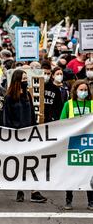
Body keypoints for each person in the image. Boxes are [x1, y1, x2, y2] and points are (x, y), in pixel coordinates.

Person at [3, 69, 47, 203]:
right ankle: (20, 191)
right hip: (16, 135)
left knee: (31, 163)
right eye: (23, 79)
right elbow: (7, 117)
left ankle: (34, 191)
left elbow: (32, 115)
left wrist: (34, 129)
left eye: (26, 79)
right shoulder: (9, 97)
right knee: (20, 164)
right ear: (17, 80)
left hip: (29, 134)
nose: (25, 81)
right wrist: (11, 133)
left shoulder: (27, 94)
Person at [59, 80, 93, 210]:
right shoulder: (69, 104)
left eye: (85, 90)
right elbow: (62, 122)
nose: (83, 92)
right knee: (71, 172)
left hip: (89, 143)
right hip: (72, 143)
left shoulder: (91, 104)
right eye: (81, 90)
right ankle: (69, 199)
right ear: (75, 91)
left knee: (89, 172)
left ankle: (91, 200)